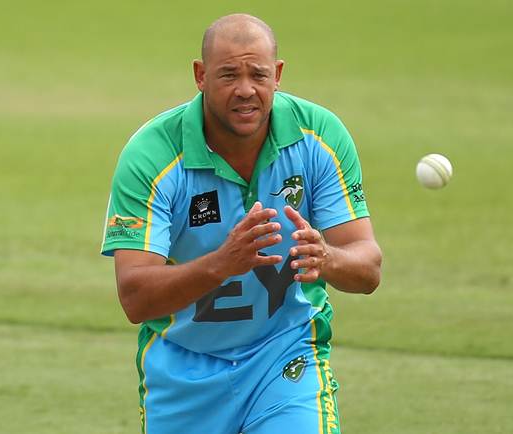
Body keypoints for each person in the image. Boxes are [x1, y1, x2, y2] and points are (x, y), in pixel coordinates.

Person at [101, 13, 382, 434]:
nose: (245, 90)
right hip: (182, 371)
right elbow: (135, 298)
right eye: (228, 75)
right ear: (200, 75)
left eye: (258, 74)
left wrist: (328, 258)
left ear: (279, 75)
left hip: (286, 358)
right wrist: (222, 263)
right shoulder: (152, 155)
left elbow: (368, 269)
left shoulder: (319, 136)